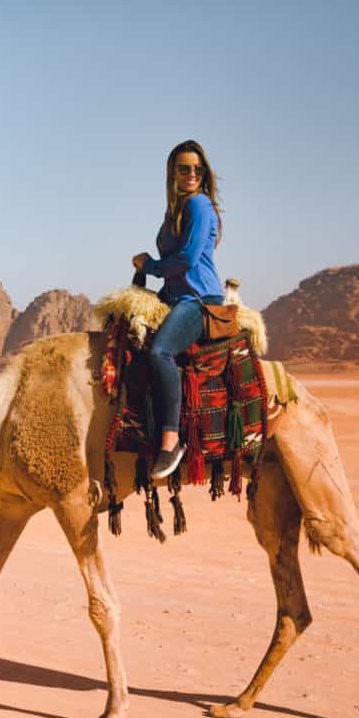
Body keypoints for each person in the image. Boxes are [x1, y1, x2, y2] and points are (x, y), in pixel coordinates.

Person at [132, 139, 225, 480]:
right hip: (173, 297)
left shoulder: (200, 206)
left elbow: (186, 259)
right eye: (184, 168)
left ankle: (170, 441)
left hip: (198, 301)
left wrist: (150, 264)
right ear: (173, 172)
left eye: (197, 169)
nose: (191, 174)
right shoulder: (176, 210)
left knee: (160, 353)